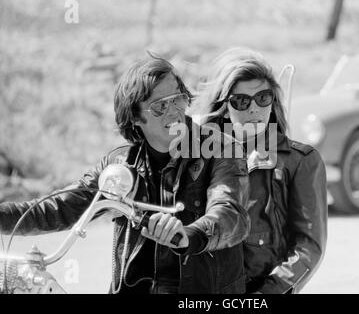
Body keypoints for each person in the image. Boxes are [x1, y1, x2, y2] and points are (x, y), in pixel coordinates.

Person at [0, 53, 250, 294]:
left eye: (178, 98)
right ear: (135, 117)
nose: (174, 111)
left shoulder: (220, 148)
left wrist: (189, 234)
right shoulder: (119, 163)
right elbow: (59, 208)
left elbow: (230, 213)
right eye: (160, 106)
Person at [189, 47, 327, 294]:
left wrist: (268, 293)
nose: (253, 109)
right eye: (241, 101)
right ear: (225, 108)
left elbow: (308, 247)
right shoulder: (198, 157)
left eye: (263, 98)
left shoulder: (301, 161)